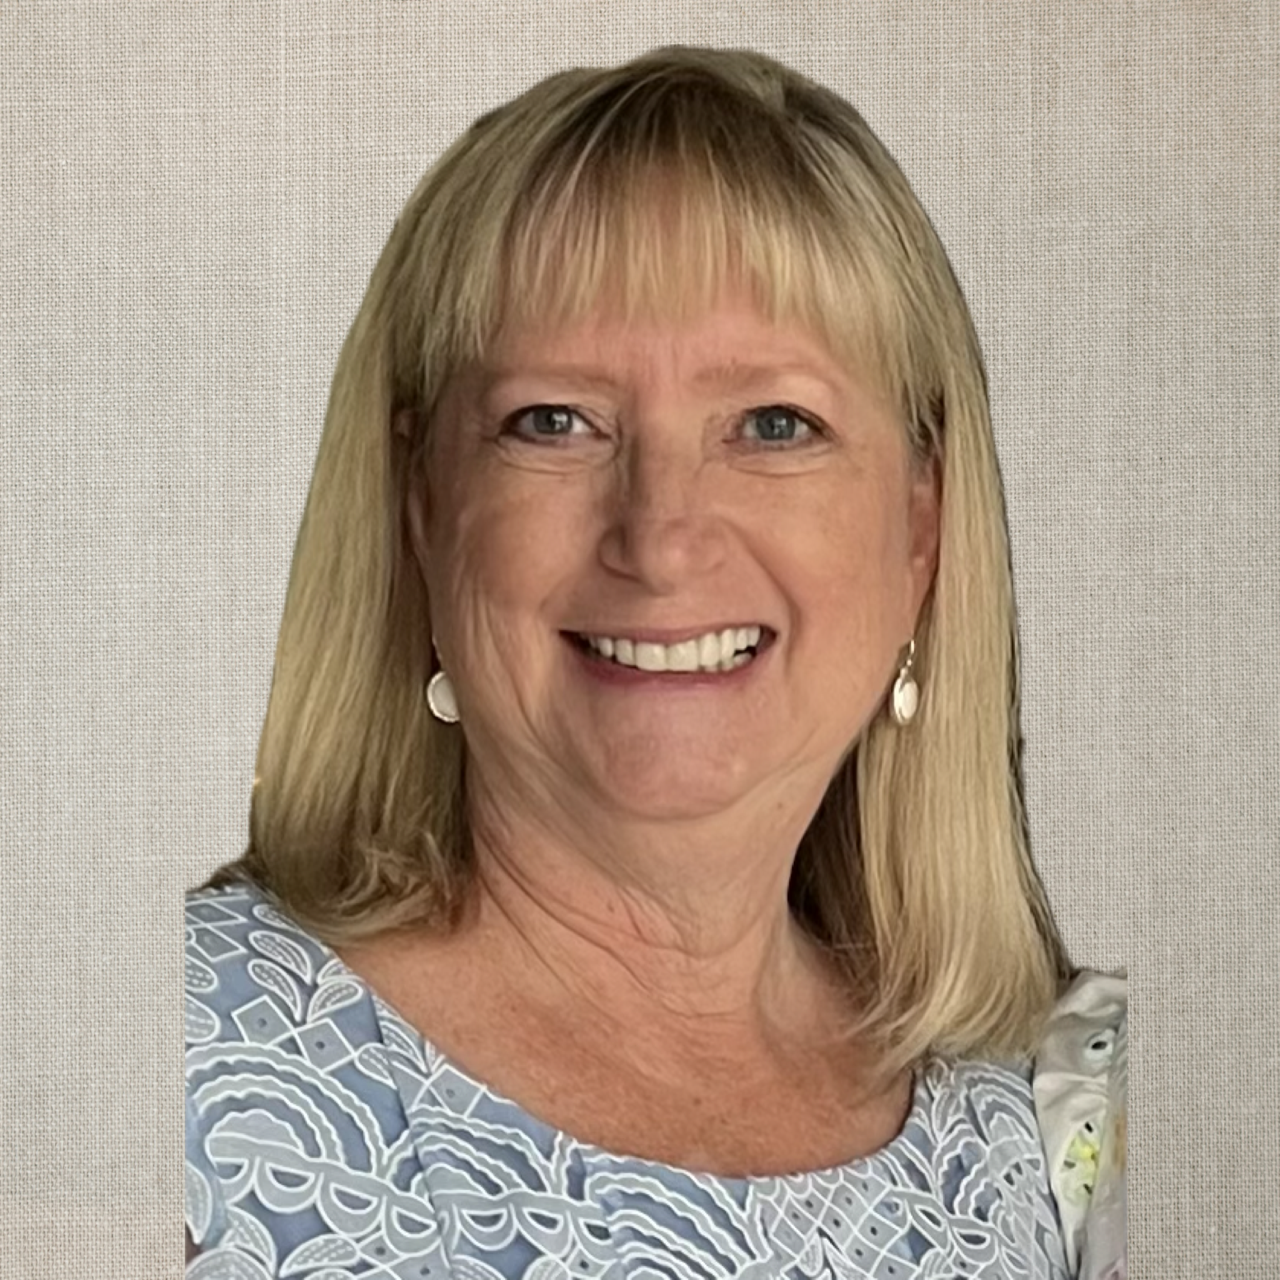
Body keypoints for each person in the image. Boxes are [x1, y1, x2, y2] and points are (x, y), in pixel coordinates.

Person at [184, 45, 1113, 1278]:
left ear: (919, 529)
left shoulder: (1059, 1129)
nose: (660, 538)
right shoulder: (167, 1067)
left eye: (772, 423)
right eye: (553, 421)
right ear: (422, 508)